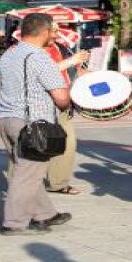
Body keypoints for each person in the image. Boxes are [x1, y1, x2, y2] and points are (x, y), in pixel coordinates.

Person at [0, 13, 73, 235]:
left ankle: (45, 215)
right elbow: (60, 95)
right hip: (32, 124)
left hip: (6, 118)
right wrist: (67, 105)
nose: (56, 35)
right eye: (54, 31)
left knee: (29, 169)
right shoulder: (40, 58)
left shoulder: (9, 55)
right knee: (27, 173)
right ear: (45, 31)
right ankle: (14, 222)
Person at [43, 35, 90, 195]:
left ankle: (57, 183)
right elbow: (42, 72)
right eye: (53, 29)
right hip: (39, 103)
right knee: (31, 145)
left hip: (63, 101)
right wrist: (71, 61)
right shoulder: (29, 50)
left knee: (67, 143)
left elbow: (75, 71)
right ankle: (21, 184)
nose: (56, 33)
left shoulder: (60, 47)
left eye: (57, 29)